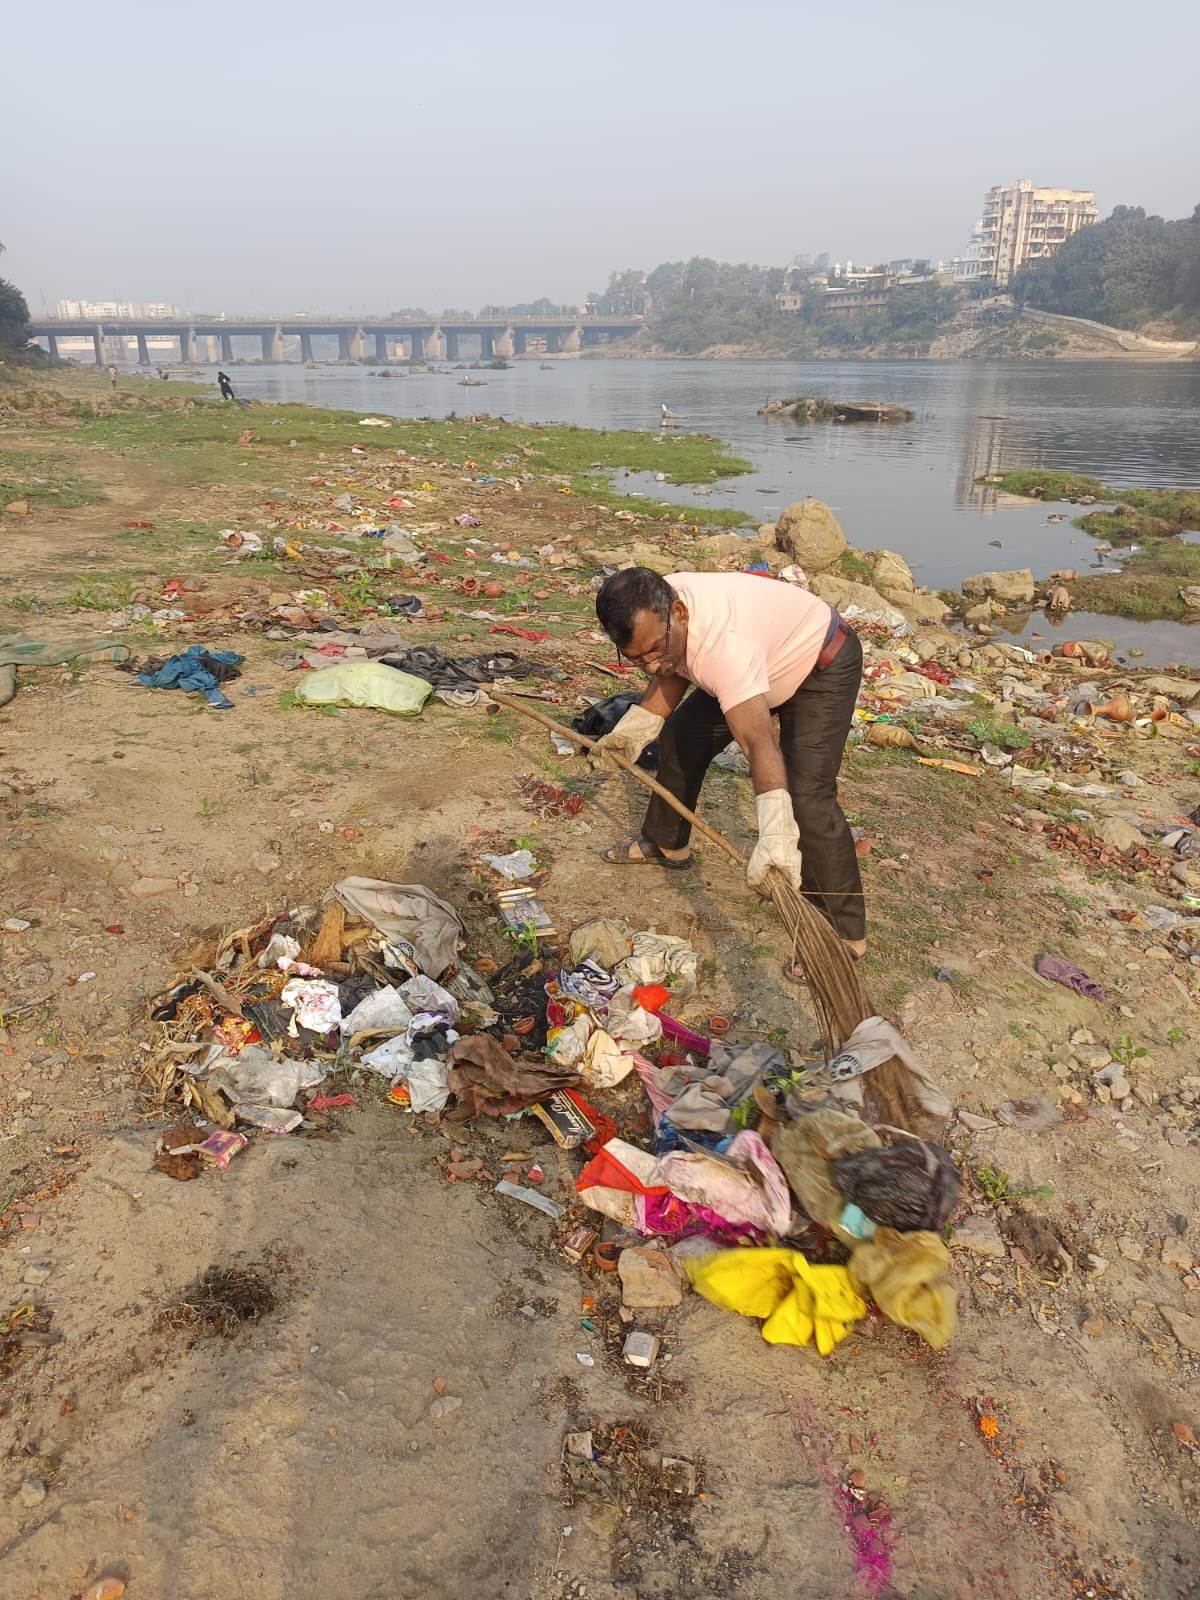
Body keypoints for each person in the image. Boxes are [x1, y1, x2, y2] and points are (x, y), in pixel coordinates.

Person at [591, 567, 866, 963]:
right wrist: (629, 735)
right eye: (636, 658)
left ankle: (844, 933)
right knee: (682, 738)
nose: (650, 666)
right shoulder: (656, 611)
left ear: (680, 614)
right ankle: (668, 843)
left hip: (819, 664)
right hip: (763, 657)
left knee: (808, 795)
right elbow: (669, 673)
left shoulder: (723, 649)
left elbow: (758, 742)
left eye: (654, 651)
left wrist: (775, 835)